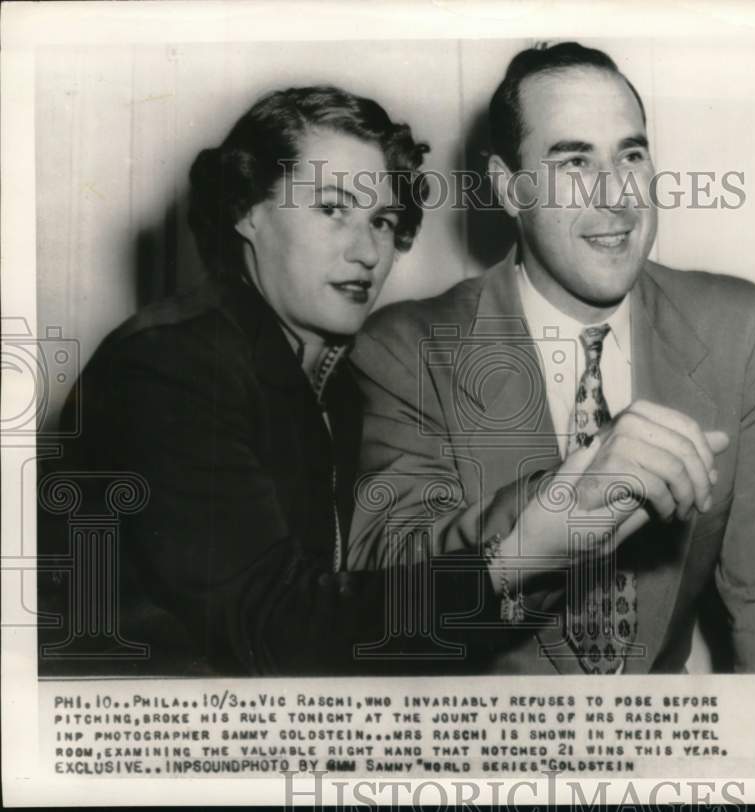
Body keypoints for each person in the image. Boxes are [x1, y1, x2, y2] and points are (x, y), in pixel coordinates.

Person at [36, 85, 546, 676]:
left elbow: (345, 595)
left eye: (382, 220)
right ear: (246, 211)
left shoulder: (331, 383)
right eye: (332, 210)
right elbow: (281, 628)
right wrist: (516, 560)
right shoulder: (169, 368)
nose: (367, 252)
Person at [348, 43, 755, 675]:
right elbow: (384, 588)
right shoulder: (404, 347)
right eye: (573, 162)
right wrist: (567, 497)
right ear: (509, 189)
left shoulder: (737, 327)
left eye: (631, 155)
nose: (616, 196)